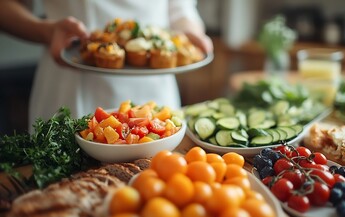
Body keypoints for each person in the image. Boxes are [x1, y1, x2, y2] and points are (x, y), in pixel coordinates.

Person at [0, 0, 213, 131]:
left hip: (154, 89)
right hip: (69, 84)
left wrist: (190, 31)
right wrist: (44, 30)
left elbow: (180, 7)